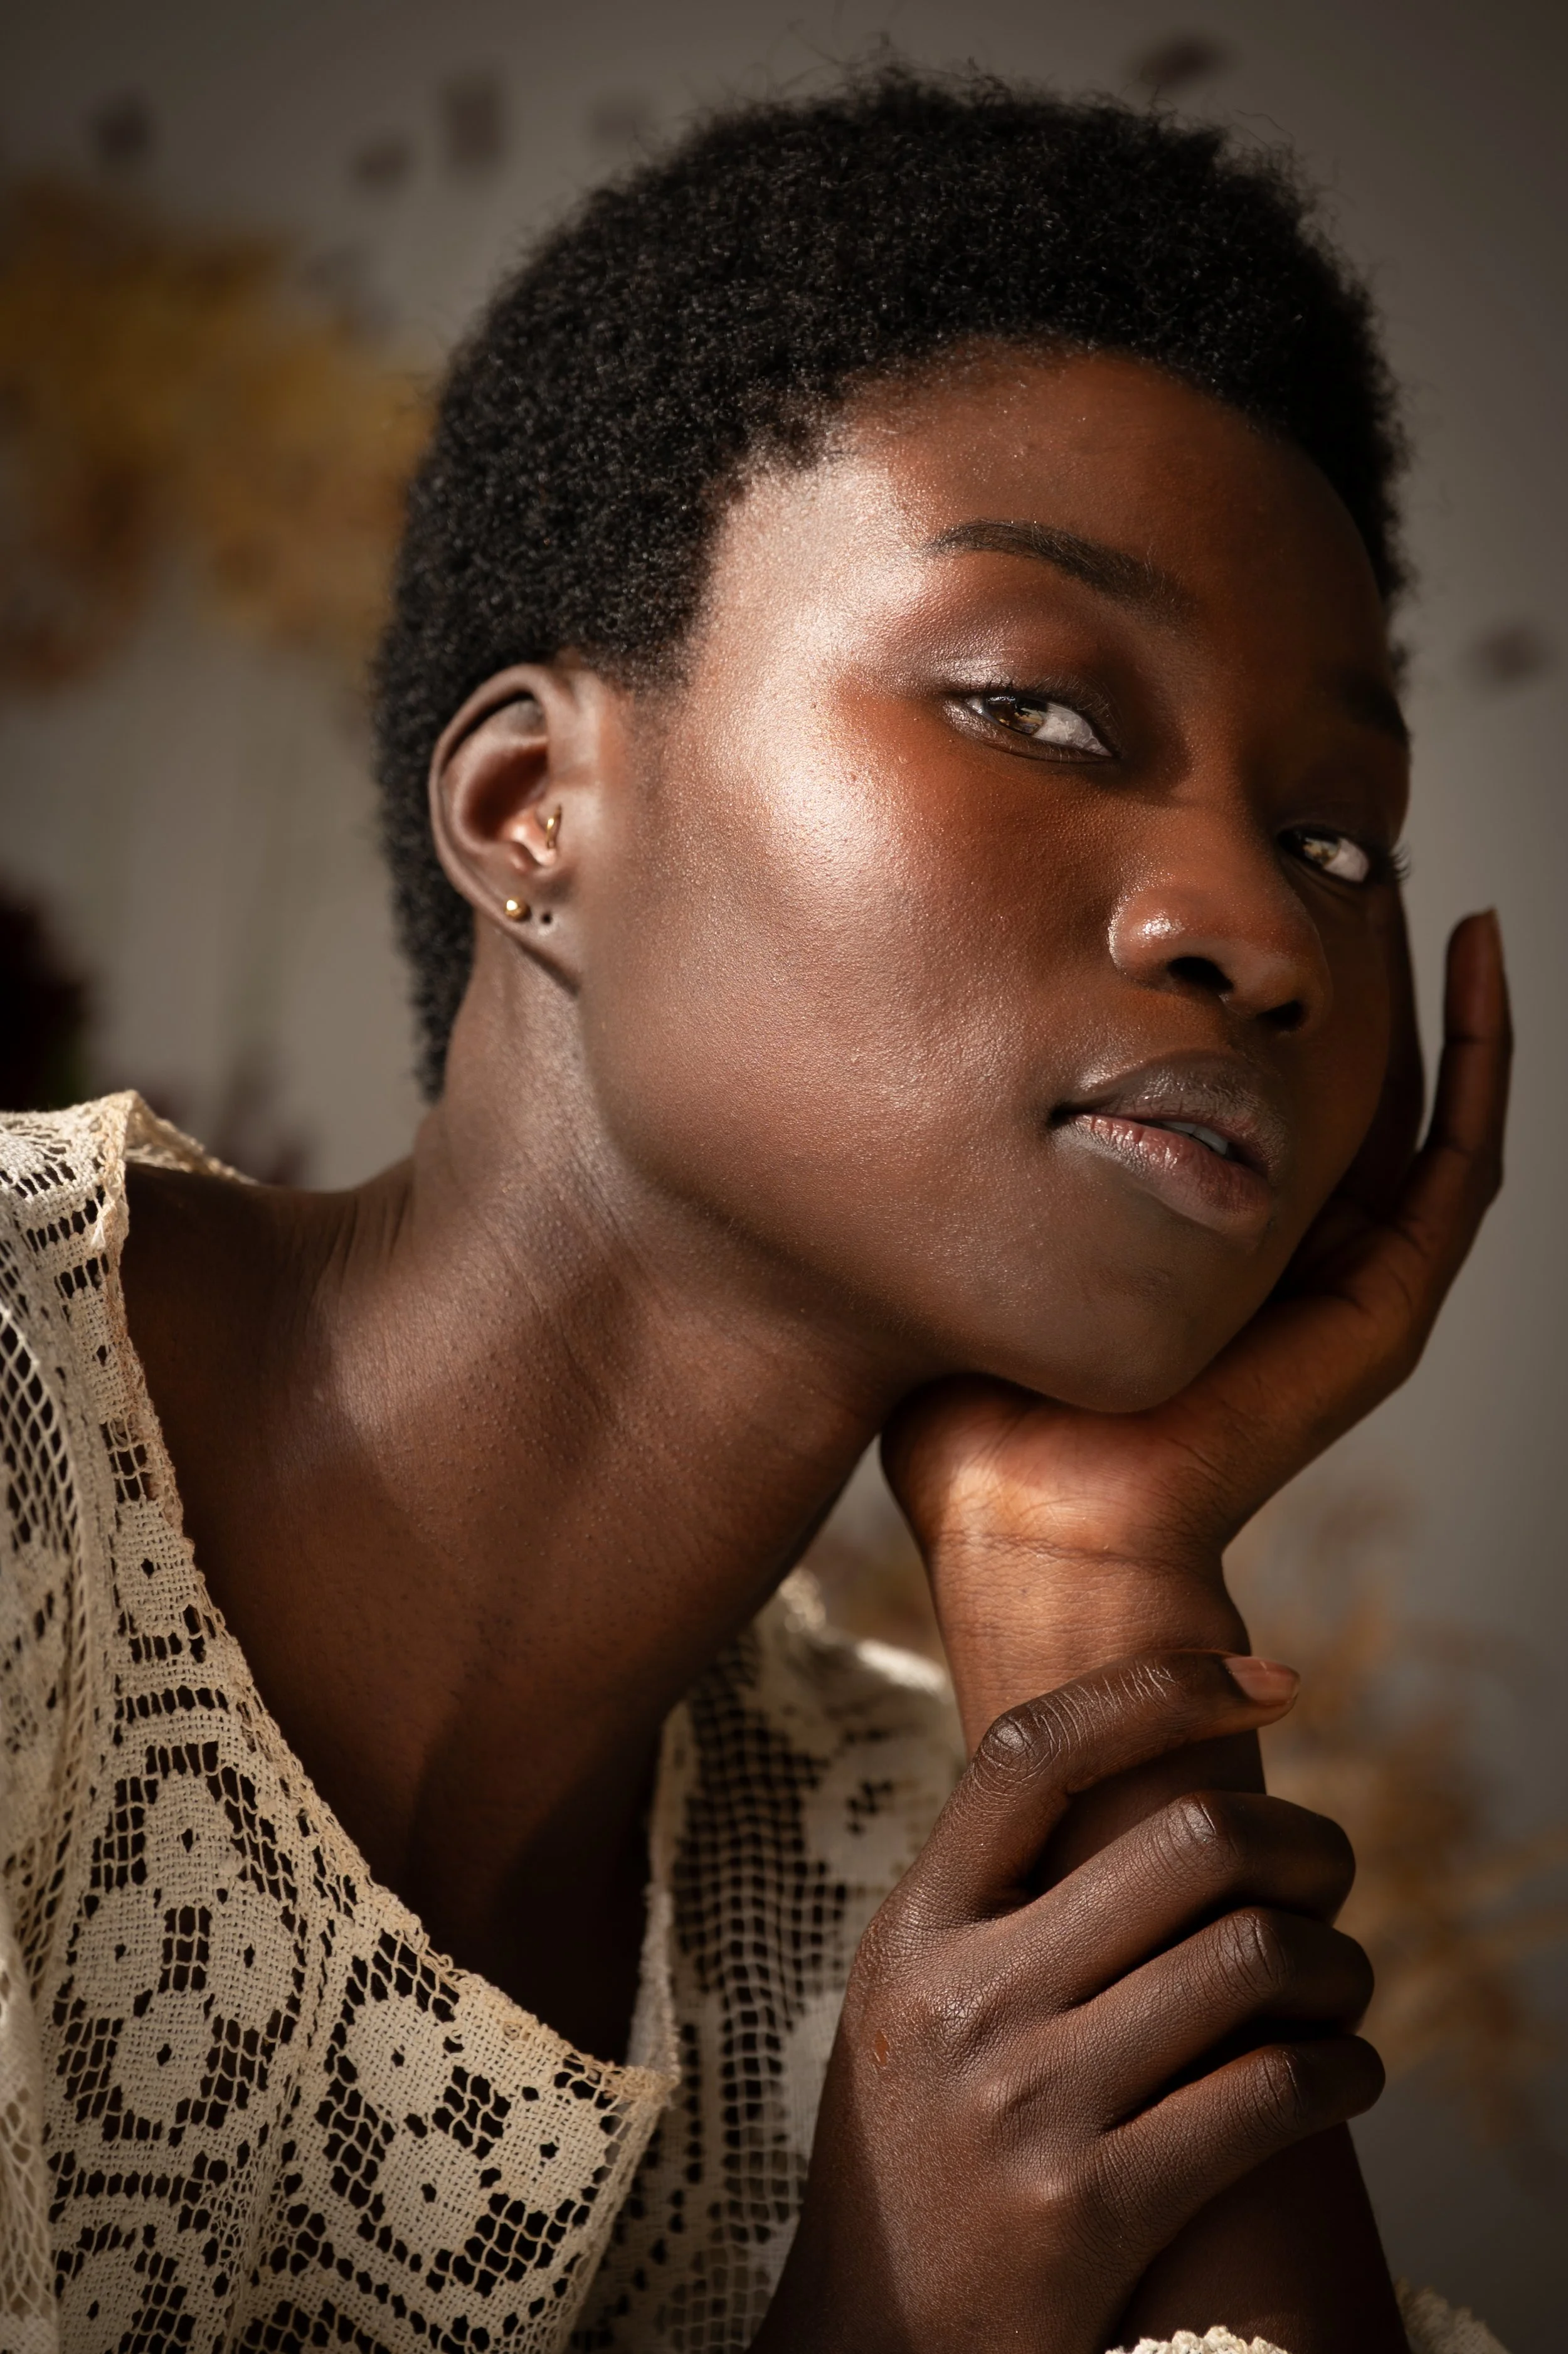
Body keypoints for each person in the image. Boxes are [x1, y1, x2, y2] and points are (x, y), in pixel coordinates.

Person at [0, 67, 1514, 2354]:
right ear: (533, 812)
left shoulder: (925, 1847)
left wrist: (1092, 1575)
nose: (1261, 932)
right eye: (1038, 707)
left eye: (1336, 839)